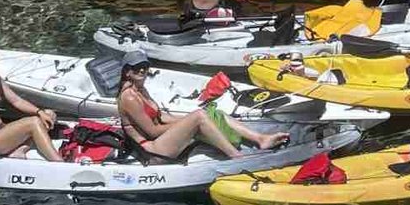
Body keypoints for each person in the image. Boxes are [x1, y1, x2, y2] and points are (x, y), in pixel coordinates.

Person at [116, 52, 285, 160]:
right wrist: (191, 121)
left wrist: (189, 120)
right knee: (199, 116)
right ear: (127, 71)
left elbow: (161, 117)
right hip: (153, 149)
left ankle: (260, 139)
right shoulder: (129, 98)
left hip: (160, 139)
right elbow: (152, 131)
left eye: (145, 66)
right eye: (137, 68)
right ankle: (236, 157)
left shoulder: (140, 89)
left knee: (210, 112)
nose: (143, 70)